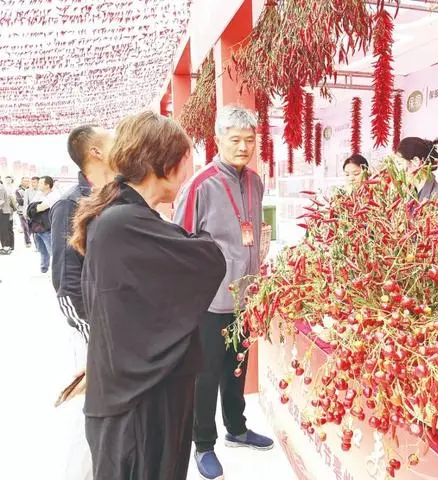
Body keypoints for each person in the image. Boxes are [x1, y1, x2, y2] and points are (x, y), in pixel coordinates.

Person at [69, 111, 227, 480]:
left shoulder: (122, 215)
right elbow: (209, 259)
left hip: (140, 397)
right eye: (188, 159)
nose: (190, 171)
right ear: (167, 163)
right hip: (139, 408)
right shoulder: (123, 223)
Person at [174, 105, 274, 480]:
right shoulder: (200, 185)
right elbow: (180, 241)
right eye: (235, 140)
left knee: (237, 367)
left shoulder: (255, 182)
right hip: (211, 299)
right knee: (207, 373)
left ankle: (237, 428)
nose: (244, 147)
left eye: (250, 140)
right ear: (218, 140)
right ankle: (203, 445)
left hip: (246, 296)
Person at [50, 125, 114, 354]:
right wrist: (95, 338)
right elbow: (66, 283)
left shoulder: (117, 195)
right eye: (113, 141)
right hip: (94, 335)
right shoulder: (70, 205)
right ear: (97, 152)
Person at [28, 175, 57, 272]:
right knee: (41, 250)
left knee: (52, 251)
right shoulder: (39, 194)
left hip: (47, 228)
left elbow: (39, 208)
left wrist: (34, 207)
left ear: (47, 185)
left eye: (40, 183)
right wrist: (34, 207)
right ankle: (44, 268)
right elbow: (30, 207)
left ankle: (56, 270)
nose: (38, 184)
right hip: (37, 227)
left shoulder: (54, 195)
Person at [15, 177, 33, 248]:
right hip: (21, 211)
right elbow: (20, 201)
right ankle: (27, 242)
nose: (27, 182)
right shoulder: (18, 190)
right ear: (21, 182)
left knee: (31, 226)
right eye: (25, 181)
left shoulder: (31, 190)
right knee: (25, 227)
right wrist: (28, 199)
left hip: (30, 211)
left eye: (28, 181)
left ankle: (29, 238)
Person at [0, 179, 17, 254]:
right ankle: (7, 247)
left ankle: (6, 248)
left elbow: (1, 201)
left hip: (3, 211)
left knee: (4, 230)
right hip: (5, 211)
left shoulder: (1, 187)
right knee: (5, 229)